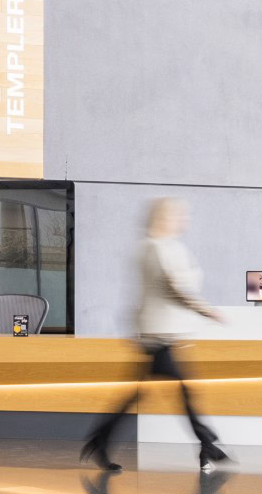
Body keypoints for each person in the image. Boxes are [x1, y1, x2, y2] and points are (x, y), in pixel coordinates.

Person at [79, 197, 231, 471]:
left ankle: (99, 442)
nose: (184, 220)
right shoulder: (158, 249)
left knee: (145, 394)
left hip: (157, 334)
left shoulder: (153, 248)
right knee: (184, 391)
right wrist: (208, 312)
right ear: (163, 218)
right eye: (178, 216)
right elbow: (175, 288)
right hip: (160, 336)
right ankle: (207, 445)